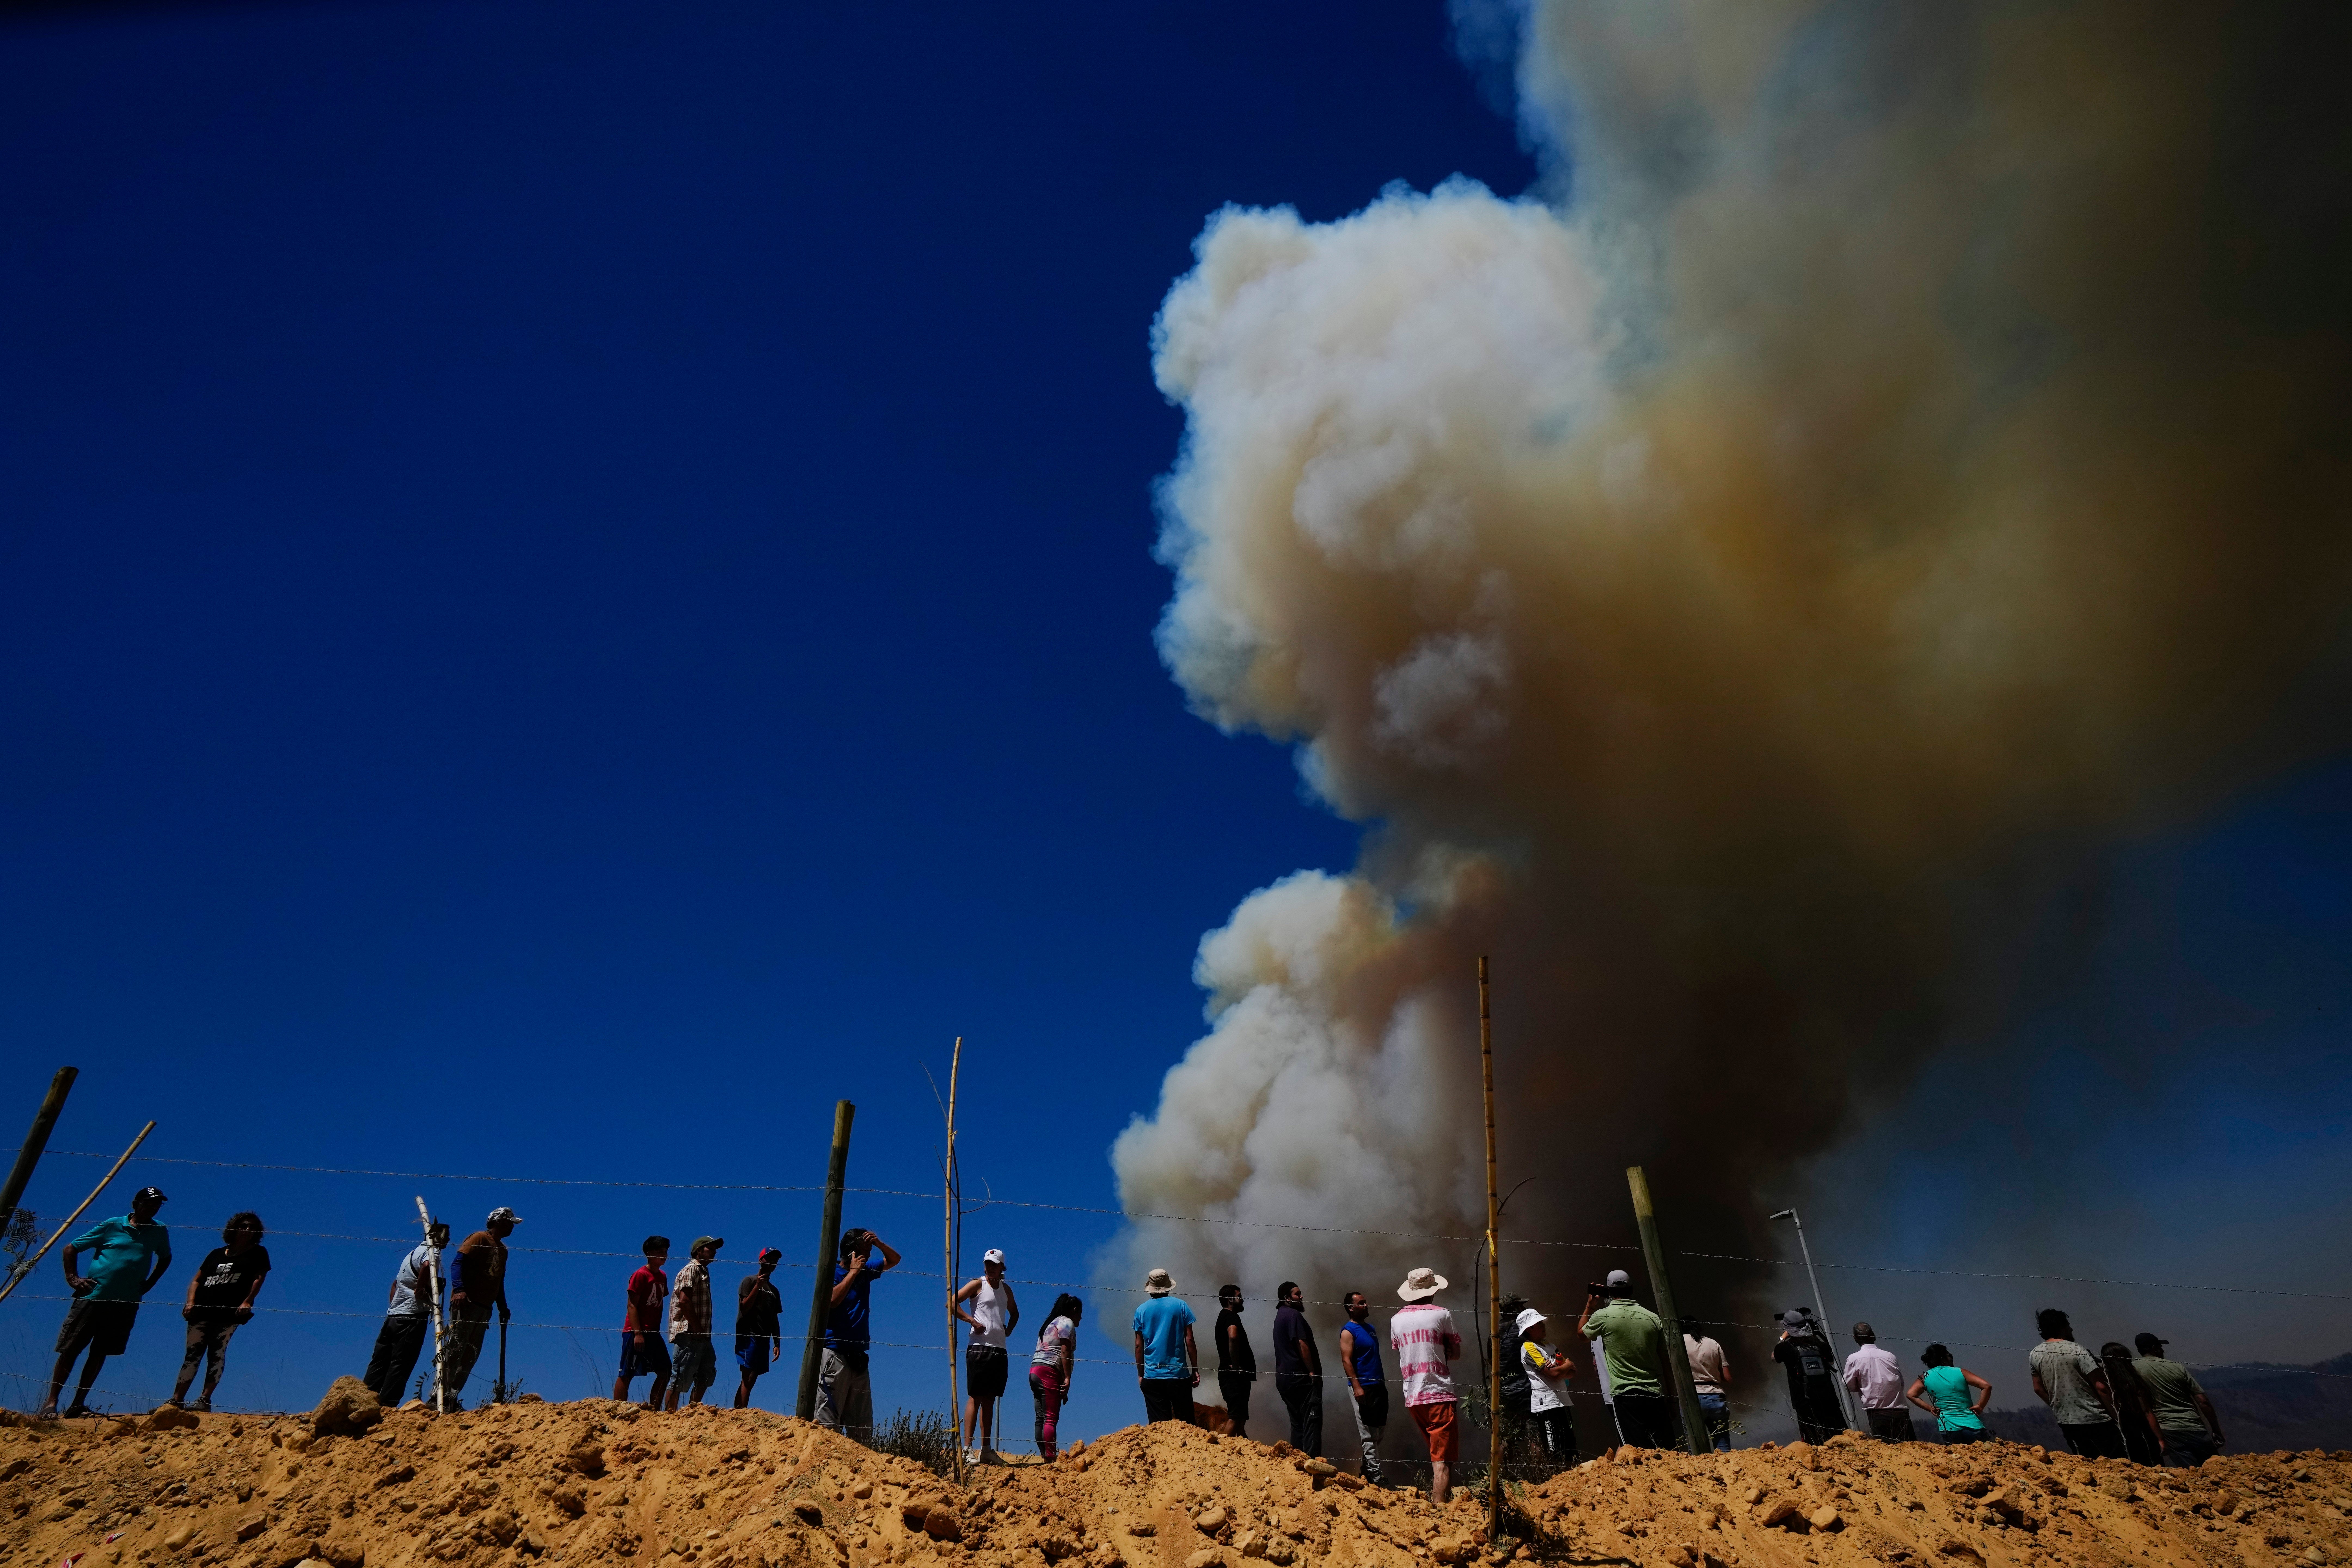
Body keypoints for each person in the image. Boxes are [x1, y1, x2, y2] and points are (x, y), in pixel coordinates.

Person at [40, 1185, 172, 1420]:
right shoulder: (113, 1225)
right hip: (93, 1297)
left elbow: (166, 1257)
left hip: (125, 1302)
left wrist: (151, 1282)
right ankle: (51, 1403)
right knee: (71, 1350)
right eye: (149, 1203)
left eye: (157, 1205)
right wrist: (73, 1279)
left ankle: (78, 1405)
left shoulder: (159, 1230)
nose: (153, 1208)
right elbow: (71, 1248)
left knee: (100, 1353)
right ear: (136, 1204)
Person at [172, 1211, 270, 1411]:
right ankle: (177, 1401)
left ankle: (204, 1399)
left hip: (229, 1313)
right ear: (234, 1228)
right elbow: (197, 1280)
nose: (247, 1230)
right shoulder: (216, 1254)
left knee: (217, 1352)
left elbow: (259, 1278)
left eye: (252, 1228)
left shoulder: (258, 1253)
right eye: (243, 1226)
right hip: (202, 1311)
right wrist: (190, 1302)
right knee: (192, 1354)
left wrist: (248, 1301)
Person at [1577, 1269, 1678, 1450]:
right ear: (1631, 1290)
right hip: (1654, 1394)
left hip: (1624, 1397)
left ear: (1609, 1291)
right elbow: (1667, 1364)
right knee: (1665, 1451)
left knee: (1634, 1453)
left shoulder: (1603, 1316)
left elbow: (1581, 1335)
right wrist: (1672, 1400)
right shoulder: (1653, 1318)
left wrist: (1590, 1306)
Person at [817, 1226, 900, 1444]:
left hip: (858, 1357)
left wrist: (879, 1243)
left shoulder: (866, 1271)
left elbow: (894, 1260)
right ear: (852, 1251)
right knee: (827, 1424)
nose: (871, 1254)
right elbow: (832, 1301)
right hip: (835, 1354)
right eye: (867, 1249)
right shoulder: (833, 1273)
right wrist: (853, 1273)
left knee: (862, 1427)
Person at [1390, 1266, 1461, 1504]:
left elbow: (1403, 1351)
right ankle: (1440, 1509)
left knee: (1437, 1454)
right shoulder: (1442, 1314)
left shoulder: (1396, 1320)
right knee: (1443, 1461)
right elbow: (1456, 1353)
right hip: (1438, 1393)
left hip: (1413, 1397)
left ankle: (1440, 1505)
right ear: (1433, 1291)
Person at [438, 1206, 518, 1410]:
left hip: (485, 1308)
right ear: (498, 1222)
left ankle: (452, 1398)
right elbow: (458, 1264)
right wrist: (459, 1290)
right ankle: (438, 1397)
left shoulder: (503, 1250)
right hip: (466, 1303)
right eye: (509, 1223)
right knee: (456, 1350)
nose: (512, 1227)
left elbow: (498, 1280)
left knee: (470, 1355)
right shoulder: (479, 1238)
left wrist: (502, 1307)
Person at [363, 1219, 446, 1406]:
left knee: (380, 1360)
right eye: (446, 1236)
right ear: (437, 1236)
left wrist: (394, 1307)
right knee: (402, 1362)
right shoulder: (433, 1252)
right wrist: (420, 1290)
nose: (448, 1240)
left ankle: (365, 1399)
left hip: (394, 1316)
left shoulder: (412, 1254)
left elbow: (396, 1284)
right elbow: (427, 1267)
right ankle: (388, 1404)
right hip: (412, 1317)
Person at [2029, 1308, 2124, 1459]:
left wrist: (2059, 1407)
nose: (2071, 1329)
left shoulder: (2035, 1354)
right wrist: (2117, 1416)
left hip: (2067, 1422)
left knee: (2086, 1463)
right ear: (2061, 1327)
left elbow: (2038, 1389)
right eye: (2068, 1325)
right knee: (2114, 1463)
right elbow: (2101, 1387)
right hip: (2097, 1419)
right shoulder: (2077, 1350)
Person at [954, 1247, 1020, 1463]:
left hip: (999, 1348)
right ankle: (967, 1449)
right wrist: (972, 1321)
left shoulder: (1006, 1290)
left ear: (1002, 1268)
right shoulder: (978, 1284)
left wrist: (1008, 1330)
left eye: (995, 1265)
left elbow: (1015, 1313)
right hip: (979, 1347)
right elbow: (952, 1302)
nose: (990, 1268)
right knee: (976, 1396)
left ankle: (986, 1449)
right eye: (988, 1264)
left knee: (990, 1399)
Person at [2130, 1332, 2226, 1467]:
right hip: (2195, 1427)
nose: (2163, 1351)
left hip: (2168, 1430)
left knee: (2190, 1472)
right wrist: (2216, 1430)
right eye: (2160, 1347)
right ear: (2154, 1348)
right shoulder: (2177, 1367)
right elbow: (2203, 1401)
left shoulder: (2133, 1369)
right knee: (2214, 1470)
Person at [1131, 1267, 1199, 1424]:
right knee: (1187, 1426)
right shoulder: (1181, 1306)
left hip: (1153, 1375)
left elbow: (1139, 1346)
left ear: (1151, 1288)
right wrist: (1195, 1369)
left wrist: (1141, 1374)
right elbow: (1189, 1340)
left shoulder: (1141, 1310)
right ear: (1168, 1287)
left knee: (1159, 1429)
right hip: (1179, 1376)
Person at [613, 1235, 672, 1408]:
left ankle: (654, 1409)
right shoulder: (640, 1275)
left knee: (665, 1370)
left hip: (654, 1332)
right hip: (636, 1332)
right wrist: (638, 1333)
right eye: (660, 1252)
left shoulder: (662, 1276)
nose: (665, 1255)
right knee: (627, 1372)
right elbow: (632, 1305)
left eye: (666, 1252)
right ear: (649, 1253)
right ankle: (618, 1409)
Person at [1774, 1309, 1848, 1442]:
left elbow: (1774, 1358)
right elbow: (1831, 1362)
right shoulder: (1821, 1345)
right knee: (1839, 1438)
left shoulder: (1785, 1348)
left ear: (1788, 1329)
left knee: (1814, 1442)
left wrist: (1782, 1338)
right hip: (1829, 1400)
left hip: (1805, 1403)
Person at [666, 1236, 723, 1410]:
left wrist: (702, 1332)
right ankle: (669, 1415)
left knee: (707, 1370)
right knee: (680, 1375)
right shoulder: (691, 1270)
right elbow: (684, 1301)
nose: (714, 1252)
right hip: (689, 1332)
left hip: (702, 1333)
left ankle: (693, 1412)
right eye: (710, 1248)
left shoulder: (703, 1271)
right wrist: (697, 1330)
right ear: (699, 1251)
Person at [1518, 1308, 1577, 1470]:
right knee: (1554, 1450)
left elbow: (1572, 1373)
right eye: (1539, 1324)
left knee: (1570, 1448)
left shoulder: (1551, 1347)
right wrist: (1567, 1365)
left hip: (1563, 1402)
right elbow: (1554, 1374)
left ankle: (1571, 1478)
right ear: (1530, 1329)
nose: (1544, 1326)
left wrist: (1563, 1368)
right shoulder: (1529, 1348)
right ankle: (1556, 1479)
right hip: (1547, 1405)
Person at [1339, 1291, 1388, 1484]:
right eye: (1362, 1303)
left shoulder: (1370, 1329)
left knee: (1380, 1431)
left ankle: (1367, 1469)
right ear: (1351, 1308)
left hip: (1378, 1386)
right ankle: (1376, 1476)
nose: (1366, 1306)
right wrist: (1357, 1387)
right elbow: (1346, 1361)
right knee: (1368, 1434)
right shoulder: (1348, 1332)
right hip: (1363, 1387)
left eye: (1366, 1302)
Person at [1029, 1292, 1083, 1460]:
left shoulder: (1050, 1323)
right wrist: (1067, 1378)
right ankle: (1051, 1458)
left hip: (1035, 1371)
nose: (1081, 1318)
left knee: (1041, 1418)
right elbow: (1065, 1351)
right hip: (1050, 1372)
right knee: (1051, 1419)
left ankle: (1045, 1456)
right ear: (1074, 1310)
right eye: (1080, 1313)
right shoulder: (1067, 1323)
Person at [1272, 1280, 1322, 1456]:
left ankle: (1296, 1463)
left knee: (1298, 1425)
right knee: (1312, 1423)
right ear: (1288, 1298)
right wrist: (1312, 1371)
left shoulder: (1280, 1316)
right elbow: (1302, 1344)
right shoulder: (1294, 1315)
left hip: (1286, 1380)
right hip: (1301, 1379)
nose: (1302, 1297)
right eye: (1297, 1294)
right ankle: (1311, 1464)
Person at [1906, 1344, 1993, 1443]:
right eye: (1950, 1356)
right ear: (1943, 1359)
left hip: (1948, 1428)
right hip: (1972, 1425)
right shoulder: (1960, 1372)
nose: (1952, 1358)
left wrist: (1930, 1408)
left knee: (1956, 1453)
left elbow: (1911, 1394)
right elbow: (1987, 1386)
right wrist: (1980, 1406)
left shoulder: (1925, 1377)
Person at [1844, 1322, 1913, 1442]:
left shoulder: (1854, 1359)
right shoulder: (1890, 1356)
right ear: (1875, 1336)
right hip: (1901, 1412)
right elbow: (1901, 1384)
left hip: (1878, 1414)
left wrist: (1862, 1386)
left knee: (1888, 1451)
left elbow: (1849, 1386)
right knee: (1910, 1448)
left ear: (1855, 1338)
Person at [734, 1247, 785, 1409]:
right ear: (761, 1260)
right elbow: (744, 1308)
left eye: (775, 1260)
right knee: (748, 1377)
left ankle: (739, 1412)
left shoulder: (775, 1291)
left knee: (753, 1377)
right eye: (769, 1258)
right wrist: (757, 1287)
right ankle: (740, 1414)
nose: (772, 1262)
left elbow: (775, 1319)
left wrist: (777, 1343)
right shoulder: (749, 1281)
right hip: (749, 1335)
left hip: (764, 1338)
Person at [2100, 1340, 2162, 1465]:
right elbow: (2147, 1412)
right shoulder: (2132, 1382)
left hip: (2119, 1435)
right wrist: (2160, 1438)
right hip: (2141, 1432)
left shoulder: (2104, 1382)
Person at [1214, 1284, 1256, 1439]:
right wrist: (1237, 1365)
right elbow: (1233, 1336)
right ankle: (1222, 1450)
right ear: (1230, 1300)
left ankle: (1242, 1451)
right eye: (1239, 1297)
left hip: (1235, 1376)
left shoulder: (1224, 1317)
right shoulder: (1231, 1317)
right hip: (1234, 1376)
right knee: (1235, 1418)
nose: (1242, 1300)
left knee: (1240, 1419)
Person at [1683, 1327, 1733, 1452]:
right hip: (1715, 1396)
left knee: (1695, 1448)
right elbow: (1728, 1378)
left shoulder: (1678, 1343)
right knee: (1723, 1447)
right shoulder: (1713, 1343)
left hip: (1691, 1397)